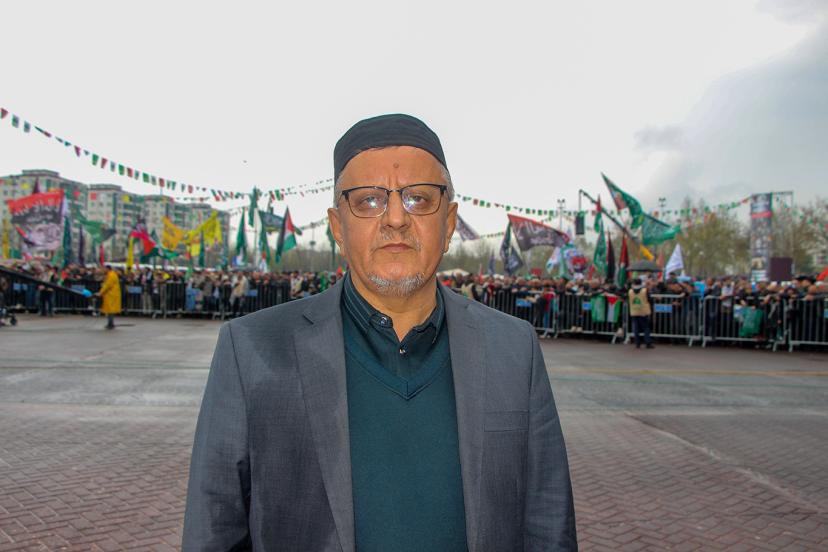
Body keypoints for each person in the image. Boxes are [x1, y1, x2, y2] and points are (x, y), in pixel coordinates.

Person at [183, 114, 577, 551]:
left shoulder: (513, 349)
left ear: (449, 224)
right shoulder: (253, 350)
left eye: (418, 199)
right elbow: (214, 529)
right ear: (337, 227)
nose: (395, 218)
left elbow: (549, 524)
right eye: (369, 201)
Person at [628, 277, 654, 349]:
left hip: (634, 310)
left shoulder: (630, 291)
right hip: (643, 311)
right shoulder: (644, 290)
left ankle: (637, 343)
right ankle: (648, 342)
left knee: (636, 328)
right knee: (646, 327)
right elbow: (649, 299)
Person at [96, 265, 121, 329]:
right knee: (110, 310)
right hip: (110, 295)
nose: (103, 270)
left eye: (104, 269)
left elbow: (107, 285)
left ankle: (110, 324)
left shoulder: (111, 275)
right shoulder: (110, 275)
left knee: (110, 310)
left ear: (107, 269)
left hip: (111, 295)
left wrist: (100, 293)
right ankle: (110, 323)